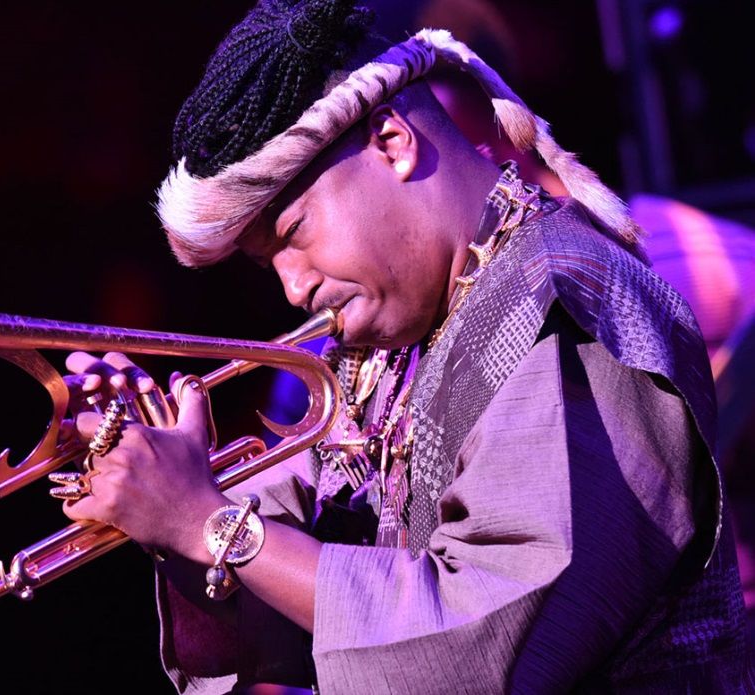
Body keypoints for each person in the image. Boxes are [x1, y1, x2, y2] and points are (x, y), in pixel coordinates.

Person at [53, 1, 751, 691]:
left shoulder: (563, 304)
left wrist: (211, 522)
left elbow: (483, 649)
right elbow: (307, 613)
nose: (293, 288)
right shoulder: (387, 347)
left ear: (392, 142)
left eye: (294, 234)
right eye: (270, 265)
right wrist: (159, 485)